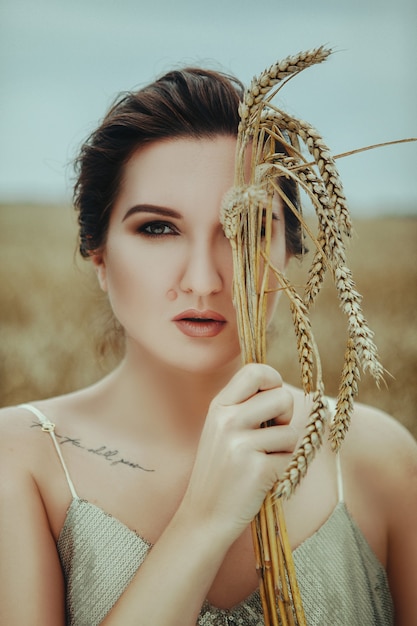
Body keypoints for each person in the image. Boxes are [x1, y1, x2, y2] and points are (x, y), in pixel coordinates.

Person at [0, 64, 416, 626]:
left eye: (245, 230)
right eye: (157, 228)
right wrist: (205, 519)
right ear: (98, 254)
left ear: (290, 251)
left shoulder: (379, 460)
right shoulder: (18, 461)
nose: (202, 279)